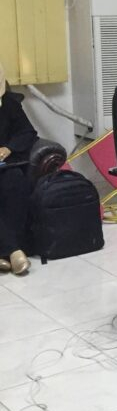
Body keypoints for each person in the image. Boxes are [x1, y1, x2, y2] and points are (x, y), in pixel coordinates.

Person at [0, 63, 35, 276]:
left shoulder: (9, 103)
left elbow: (28, 132)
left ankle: (5, 253)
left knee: (15, 181)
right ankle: (12, 251)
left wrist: (8, 148)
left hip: (4, 165)